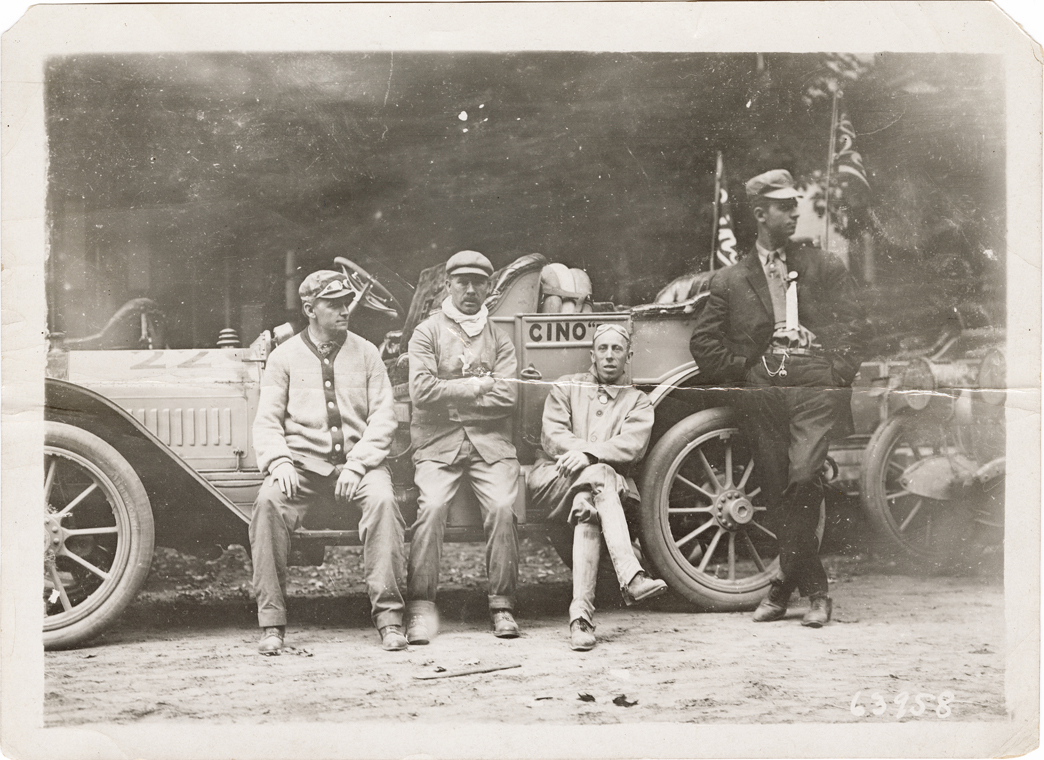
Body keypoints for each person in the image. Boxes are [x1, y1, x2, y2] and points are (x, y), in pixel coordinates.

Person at [689, 169, 869, 628]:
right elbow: (704, 345)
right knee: (777, 491)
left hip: (813, 385)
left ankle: (800, 589)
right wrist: (748, 373)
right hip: (764, 390)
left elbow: (856, 325)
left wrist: (835, 371)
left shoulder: (822, 266)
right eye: (784, 205)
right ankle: (799, 589)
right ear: (759, 214)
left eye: (795, 204)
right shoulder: (730, 280)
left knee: (804, 477)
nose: (795, 212)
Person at [250, 270, 407, 654]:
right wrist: (280, 462)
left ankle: (389, 620)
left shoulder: (367, 352)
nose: (344, 310)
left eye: (345, 302)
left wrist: (357, 465)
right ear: (309, 309)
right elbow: (267, 420)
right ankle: (272, 623)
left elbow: (384, 417)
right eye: (333, 304)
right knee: (268, 504)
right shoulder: (283, 358)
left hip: (361, 466)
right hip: (301, 467)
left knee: (385, 503)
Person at [527, 323, 668, 651]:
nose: (608, 356)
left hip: (607, 494)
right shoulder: (566, 387)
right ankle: (631, 576)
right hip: (554, 479)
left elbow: (632, 446)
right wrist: (583, 454)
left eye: (616, 349)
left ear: (628, 356)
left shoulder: (638, 402)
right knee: (601, 475)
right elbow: (552, 435)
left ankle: (581, 620)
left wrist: (588, 455)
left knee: (587, 505)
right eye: (602, 349)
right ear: (592, 354)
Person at [405, 250, 522, 642]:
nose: (470, 290)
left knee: (504, 508)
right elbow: (421, 392)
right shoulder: (428, 332)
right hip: (439, 445)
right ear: (448, 285)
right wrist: (474, 386)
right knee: (433, 506)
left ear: (489, 288)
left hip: (490, 446)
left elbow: (507, 398)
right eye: (462, 282)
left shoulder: (500, 339)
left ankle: (502, 605)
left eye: (479, 283)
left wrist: (448, 395)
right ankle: (421, 610)